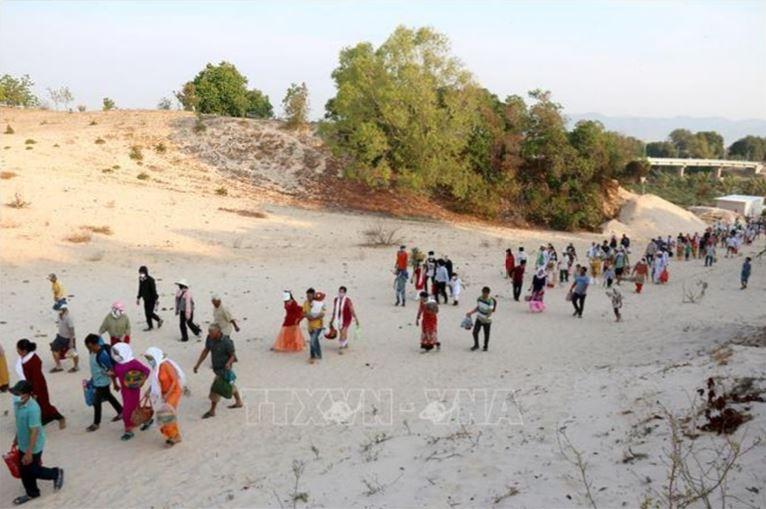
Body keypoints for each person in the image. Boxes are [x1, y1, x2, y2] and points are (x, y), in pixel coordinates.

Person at [10, 380, 64, 505]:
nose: (17, 395)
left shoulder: (33, 409)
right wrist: (17, 437)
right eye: (16, 393)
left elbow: (34, 431)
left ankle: (55, 473)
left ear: (28, 394)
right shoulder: (17, 404)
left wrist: (29, 452)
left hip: (33, 445)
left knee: (32, 470)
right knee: (24, 470)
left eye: (20, 393)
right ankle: (32, 493)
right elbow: (19, 422)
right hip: (23, 443)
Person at [193, 323, 243, 418]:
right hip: (216, 368)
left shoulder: (227, 342)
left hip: (224, 369)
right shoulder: (209, 338)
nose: (210, 335)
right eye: (209, 332)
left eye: (212, 333)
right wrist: (197, 364)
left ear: (218, 332)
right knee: (229, 385)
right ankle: (239, 402)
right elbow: (206, 351)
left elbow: (233, 356)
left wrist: (228, 363)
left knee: (216, 388)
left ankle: (212, 411)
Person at [15, 340, 65, 428]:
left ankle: (60, 418)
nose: (17, 351)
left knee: (44, 404)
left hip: (38, 387)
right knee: (36, 406)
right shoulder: (24, 358)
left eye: (18, 349)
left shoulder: (33, 361)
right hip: (30, 386)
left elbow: (36, 379)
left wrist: (35, 393)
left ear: (24, 351)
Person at [144, 347, 185, 446]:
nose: (149, 361)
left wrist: (167, 394)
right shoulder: (157, 367)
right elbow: (156, 382)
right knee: (169, 414)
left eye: (150, 359)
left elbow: (174, 380)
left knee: (166, 414)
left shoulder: (165, 365)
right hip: (165, 393)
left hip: (174, 392)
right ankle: (175, 435)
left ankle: (173, 436)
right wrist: (149, 390)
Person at [110, 342, 151, 441]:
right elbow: (116, 373)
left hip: (133, 390)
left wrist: (140, 381)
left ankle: (128, 430)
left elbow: (146, 371)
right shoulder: (118, 363)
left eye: (117, 352)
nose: (115, 355)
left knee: (127, 410)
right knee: (135, 407)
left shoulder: (133, 362)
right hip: (124, 390)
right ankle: (147, 420)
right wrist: (112, 377)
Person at [83, 334, 122, 432]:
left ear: (91, 344)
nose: (88, 348)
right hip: (97, 381)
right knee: (108, 396)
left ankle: (96, 423)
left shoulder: (102, 356)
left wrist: (115, 383)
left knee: (96, 402)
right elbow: (95, 367)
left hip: (102, 383)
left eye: (88, 346)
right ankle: (121, 411)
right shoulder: (92, 352)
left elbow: (111, 370)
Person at [49, 304, 78, 373]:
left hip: (69, 338)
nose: (58, 311)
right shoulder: (59, 315)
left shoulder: (69, 317)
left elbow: (72, 330)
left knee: (73, 353)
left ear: (65, 310)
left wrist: (71, 342)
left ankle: (76, 366)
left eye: (59, 310)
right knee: (54, 349)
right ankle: (59, 366)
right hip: (60, 337)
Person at [466, 287, 496, 351]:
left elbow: (490, 311)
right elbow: (478, 307)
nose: (484, 294)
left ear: (488, 293)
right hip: (479, 318)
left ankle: (485, 346)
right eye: (483, 292)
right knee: (475, 332)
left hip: (487, 321)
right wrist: (471, 312)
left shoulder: (490, 301)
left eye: (485, 293)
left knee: (486, 334)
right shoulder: (479, 298)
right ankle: (476, 345)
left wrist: (487, 316)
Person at [329, 286, 359, 351]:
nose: (340, 293)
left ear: (345, 293)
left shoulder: (348, 300)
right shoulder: (336, 300)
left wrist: (356, 318)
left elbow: (352, 310)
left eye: (342, 292)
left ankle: (341, 347)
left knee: (343, 332)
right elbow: (334, 310)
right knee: (342, 332)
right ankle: (345, 343)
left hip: (347, 318)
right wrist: (332, 320)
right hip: (339, 318)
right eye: (340, 292)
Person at [302, 288, 325, 364]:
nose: (308, 297)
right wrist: (307, 316)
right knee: (315, 341)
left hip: (318, 326)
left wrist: (313, 317)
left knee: (312, 341)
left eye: (310, 295)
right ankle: (317, 355)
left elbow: (323, 314)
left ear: (313, 295)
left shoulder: (319, 302)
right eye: (307, 295)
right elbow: (303, 313)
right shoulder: (305, 303)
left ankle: (313, 356)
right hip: (310, 326)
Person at [136, 265, 163, 331]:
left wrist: (156, 298)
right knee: (146, 313)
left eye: (142, 273)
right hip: (145, 298)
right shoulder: (140, 279)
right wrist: (138, 297)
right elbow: (140, 289)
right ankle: (150, 326)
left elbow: (154, 290)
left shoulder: (151, 280)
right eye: (140, 273)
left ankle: (159, 319)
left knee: (149, 312)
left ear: (146, 272)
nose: (141, 274)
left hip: (152, 299)